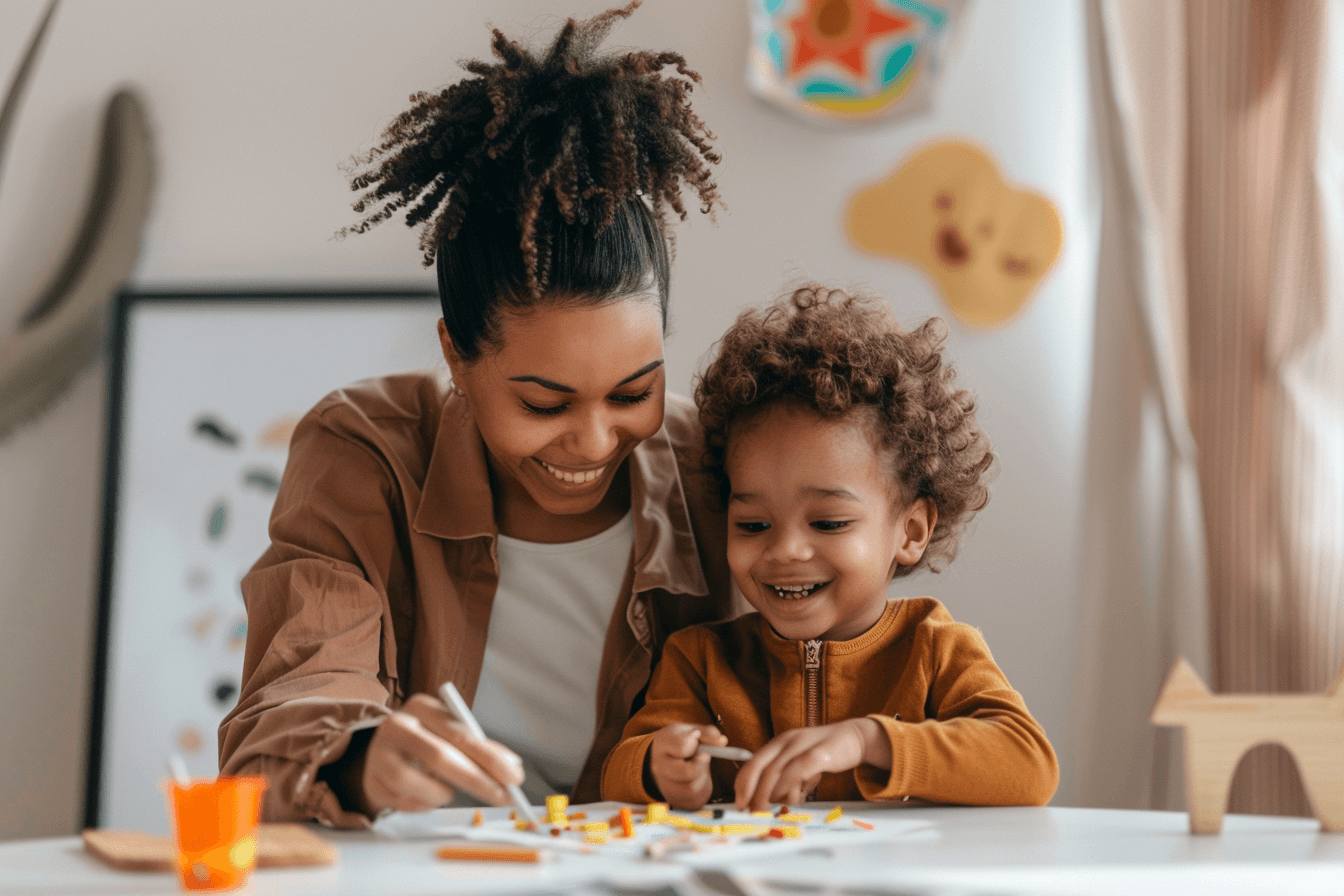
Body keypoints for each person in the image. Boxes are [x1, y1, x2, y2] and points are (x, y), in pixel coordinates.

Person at [218, 1, 732, 828]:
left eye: (635, 392)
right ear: (456, 355)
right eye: (543, 402)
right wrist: (358, 759)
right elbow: (294, 693)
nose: (596, 441)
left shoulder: (711, 463)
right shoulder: (366, 448)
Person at [601, 285, 1059, 811]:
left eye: (828, 522)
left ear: (910, 532)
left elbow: (1029, 766)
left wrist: (867, 740)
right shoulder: (701, 660)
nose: (785, 550)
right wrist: (657, 766)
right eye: (752, 524)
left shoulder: (935, 649)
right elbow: (619, 771)